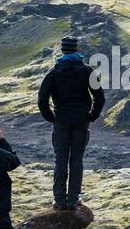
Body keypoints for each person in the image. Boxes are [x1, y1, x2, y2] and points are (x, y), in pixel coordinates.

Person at [37, 36, 105, 210]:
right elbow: (100, 97)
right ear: (76, 50)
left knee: (60, 160)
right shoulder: (87, 71)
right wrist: (92, 116)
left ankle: (59, 200)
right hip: (81, 120)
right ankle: (73, 199)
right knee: (77, 159)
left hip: (61, 121)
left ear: (63, 50)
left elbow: (42, 99)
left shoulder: (54, 72)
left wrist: (51, 117)